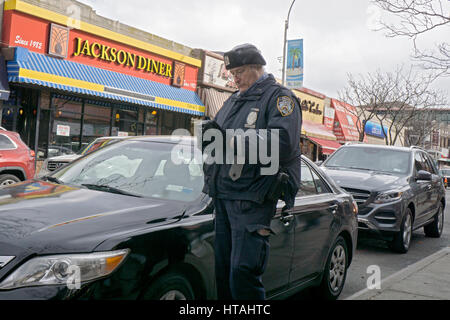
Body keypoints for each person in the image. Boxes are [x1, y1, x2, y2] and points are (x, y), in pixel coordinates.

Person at [202, 43, 302, 300]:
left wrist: (231, 141)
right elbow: (220, 143)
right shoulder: (234, 100)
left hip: (252, 199)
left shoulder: (280, 98)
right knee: (223, 273)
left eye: (240, 71)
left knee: (243, 273)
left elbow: (281, 143)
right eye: (232, 73)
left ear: (257, 68)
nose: (234, 78)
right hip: (224, 194)